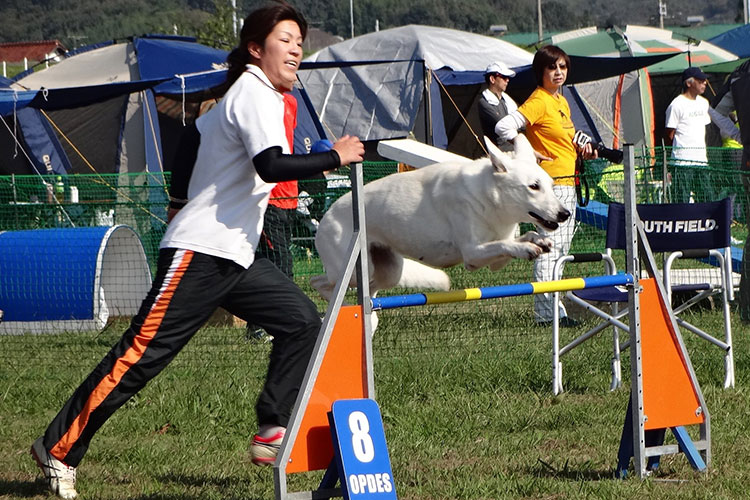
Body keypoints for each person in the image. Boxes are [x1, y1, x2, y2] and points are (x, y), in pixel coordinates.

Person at [29, 3, 365, 498]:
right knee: (140, 356)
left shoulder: (242, 94)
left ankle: (272, 428)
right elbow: (271, 167)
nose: (297, 48)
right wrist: (334, 156)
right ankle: (55, 447)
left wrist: (179, 201)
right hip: (199, 252)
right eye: (286, 39)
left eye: (300, 41)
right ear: (256, 49)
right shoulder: (255, 91)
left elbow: (192, 140)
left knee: (300, 321)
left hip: (235, 256)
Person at [495, 45, 596, 327]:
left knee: (559, 250)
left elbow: (561, 138)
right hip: (551, 189)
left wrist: (582, 148)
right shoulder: (539, 100)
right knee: (550, 249)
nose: (559, 72)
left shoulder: (560, 101)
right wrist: (526, 150)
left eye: (563, 67)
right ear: (541, 72)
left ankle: (554, 311)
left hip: (569, 184)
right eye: (553, 68)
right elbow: (503, 127)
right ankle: (545, 315)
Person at [664, 66, 712, 203]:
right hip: (682, 162)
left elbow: (704, 129)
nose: (705, 83)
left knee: (707, 197)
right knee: (682, 199)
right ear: (689, 83)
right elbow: (669, 133)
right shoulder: (676, 105)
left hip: (702, 161)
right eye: (701, 80)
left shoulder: (704, 103)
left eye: (705, 80)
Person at [477, 61, 518, 151]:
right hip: (499, 152)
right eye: (504, 77)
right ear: (492, 79)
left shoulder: (507, 100)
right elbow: (502, 125)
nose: (507, 80)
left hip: (514, 149)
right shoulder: (484, 102)